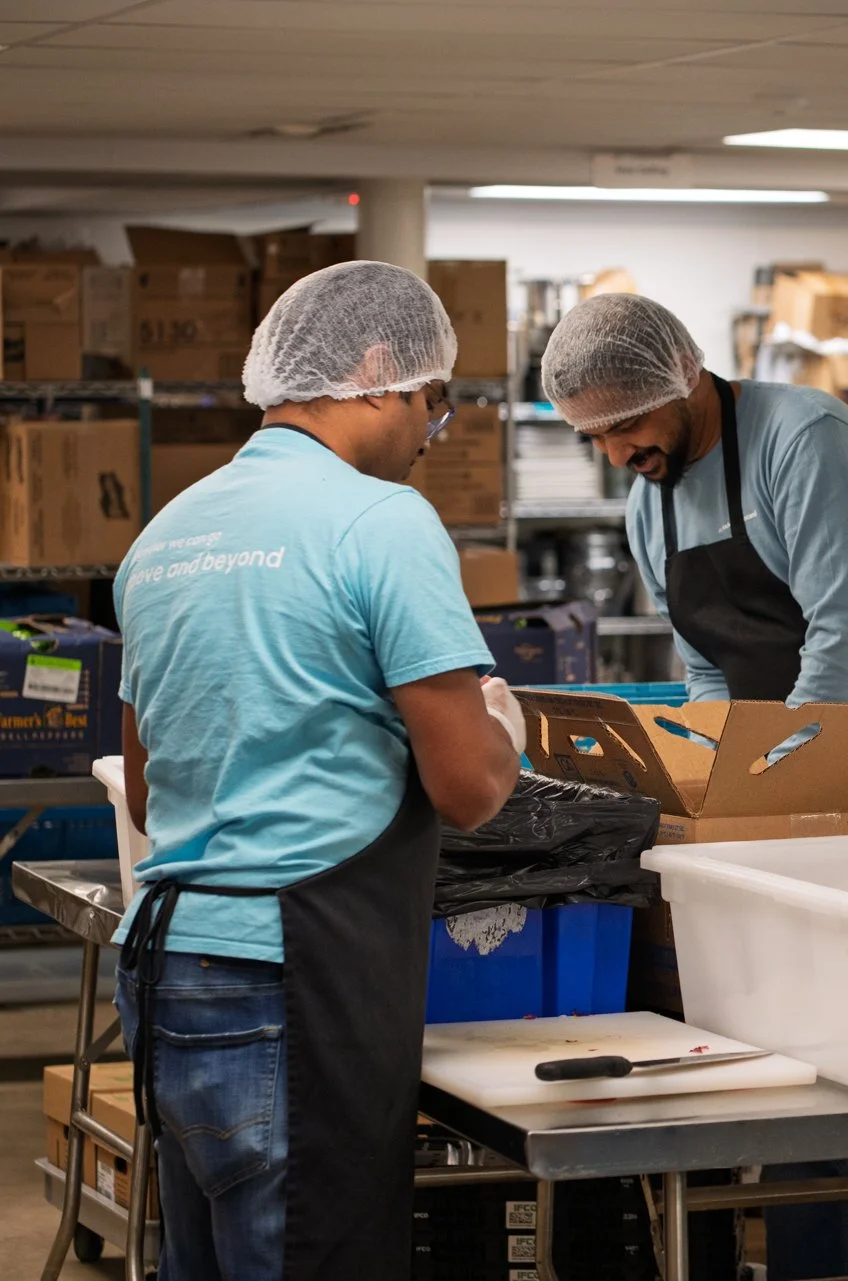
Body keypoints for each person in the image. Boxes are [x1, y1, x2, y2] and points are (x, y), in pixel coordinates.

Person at [539, 292, 848, 1281]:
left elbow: (845, 639)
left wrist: (776, 784)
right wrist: (721, 775)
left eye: (627, 424)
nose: (616, 451)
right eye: (595, 436)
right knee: (807, 1042)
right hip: (794, 769)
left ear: (680, 378)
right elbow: (710, 665)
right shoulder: (650, 499)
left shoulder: (806, 439)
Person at [112, 261, 524, 1280]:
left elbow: (147, 772)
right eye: (437, 403)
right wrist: (501, 724)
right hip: (292, 977)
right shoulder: (378, 522)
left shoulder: (165, 534)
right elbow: (468, 790)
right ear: (378, 370)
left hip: (168, 966)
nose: (434, 437)